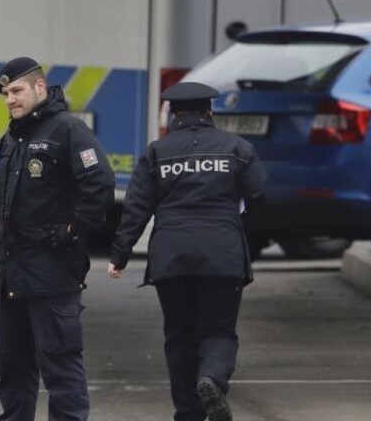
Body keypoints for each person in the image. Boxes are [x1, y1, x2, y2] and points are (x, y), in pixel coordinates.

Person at [107, 82, 267, 421]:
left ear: (172, 114)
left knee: (179, 337)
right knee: (219, 331)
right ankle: (212, 378)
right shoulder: (237, 148)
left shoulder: (157, 153)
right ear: (209, 112)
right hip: (222, 256)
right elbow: (260, 194)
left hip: (172, 258)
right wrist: (243, 236)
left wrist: (120, 254)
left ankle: (187, 413)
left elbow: (136, 208)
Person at [0, 57, 115, 421]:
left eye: (17, 91)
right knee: (12, 369)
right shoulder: (11, 137)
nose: (10, 100)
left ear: (40, 87)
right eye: (6, 94)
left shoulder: (68, 130)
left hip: (52, 274)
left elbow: (100, 185)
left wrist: (72, 230)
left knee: (61, 367)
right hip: (11, 275)